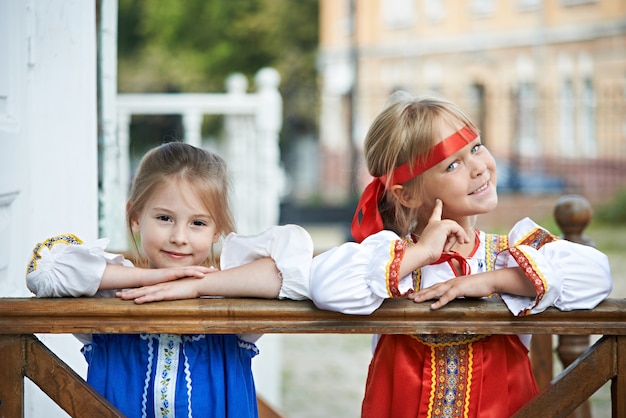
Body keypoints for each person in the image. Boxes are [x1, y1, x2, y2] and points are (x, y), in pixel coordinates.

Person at [309, 92, 613, 418]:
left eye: (476, 148)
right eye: (452, 164)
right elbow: (326, 285)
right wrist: (422, 252)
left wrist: (492, 281)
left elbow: (597, 276)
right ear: (407, 194)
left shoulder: (511, 255)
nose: (478, 168)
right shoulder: (392, 262)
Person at [26, 142, 313, 418]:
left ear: (216, 232)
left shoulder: (230, 294)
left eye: (198, 223)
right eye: (164, 218)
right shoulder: (114, 293)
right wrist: (149, 278)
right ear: (136, 218)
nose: (178, 237)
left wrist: (196, 285)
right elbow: (45, 268)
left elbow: (292, 270)